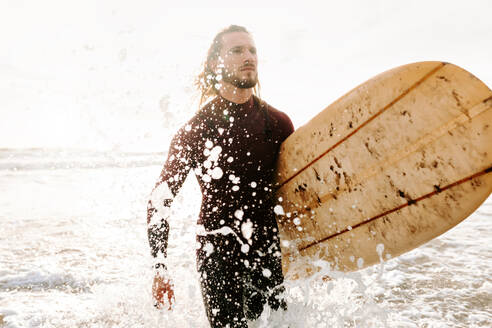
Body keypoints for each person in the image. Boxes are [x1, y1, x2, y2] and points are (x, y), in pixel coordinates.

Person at [146, 25, 294, 327]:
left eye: (252, 50)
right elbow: (160, 200)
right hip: (218, 253)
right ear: (215, 63)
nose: (248, 57)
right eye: (237, 50)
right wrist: (160, 266)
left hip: (268, 250)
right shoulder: (196, 130)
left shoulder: (279, 123)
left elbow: (300, 191)